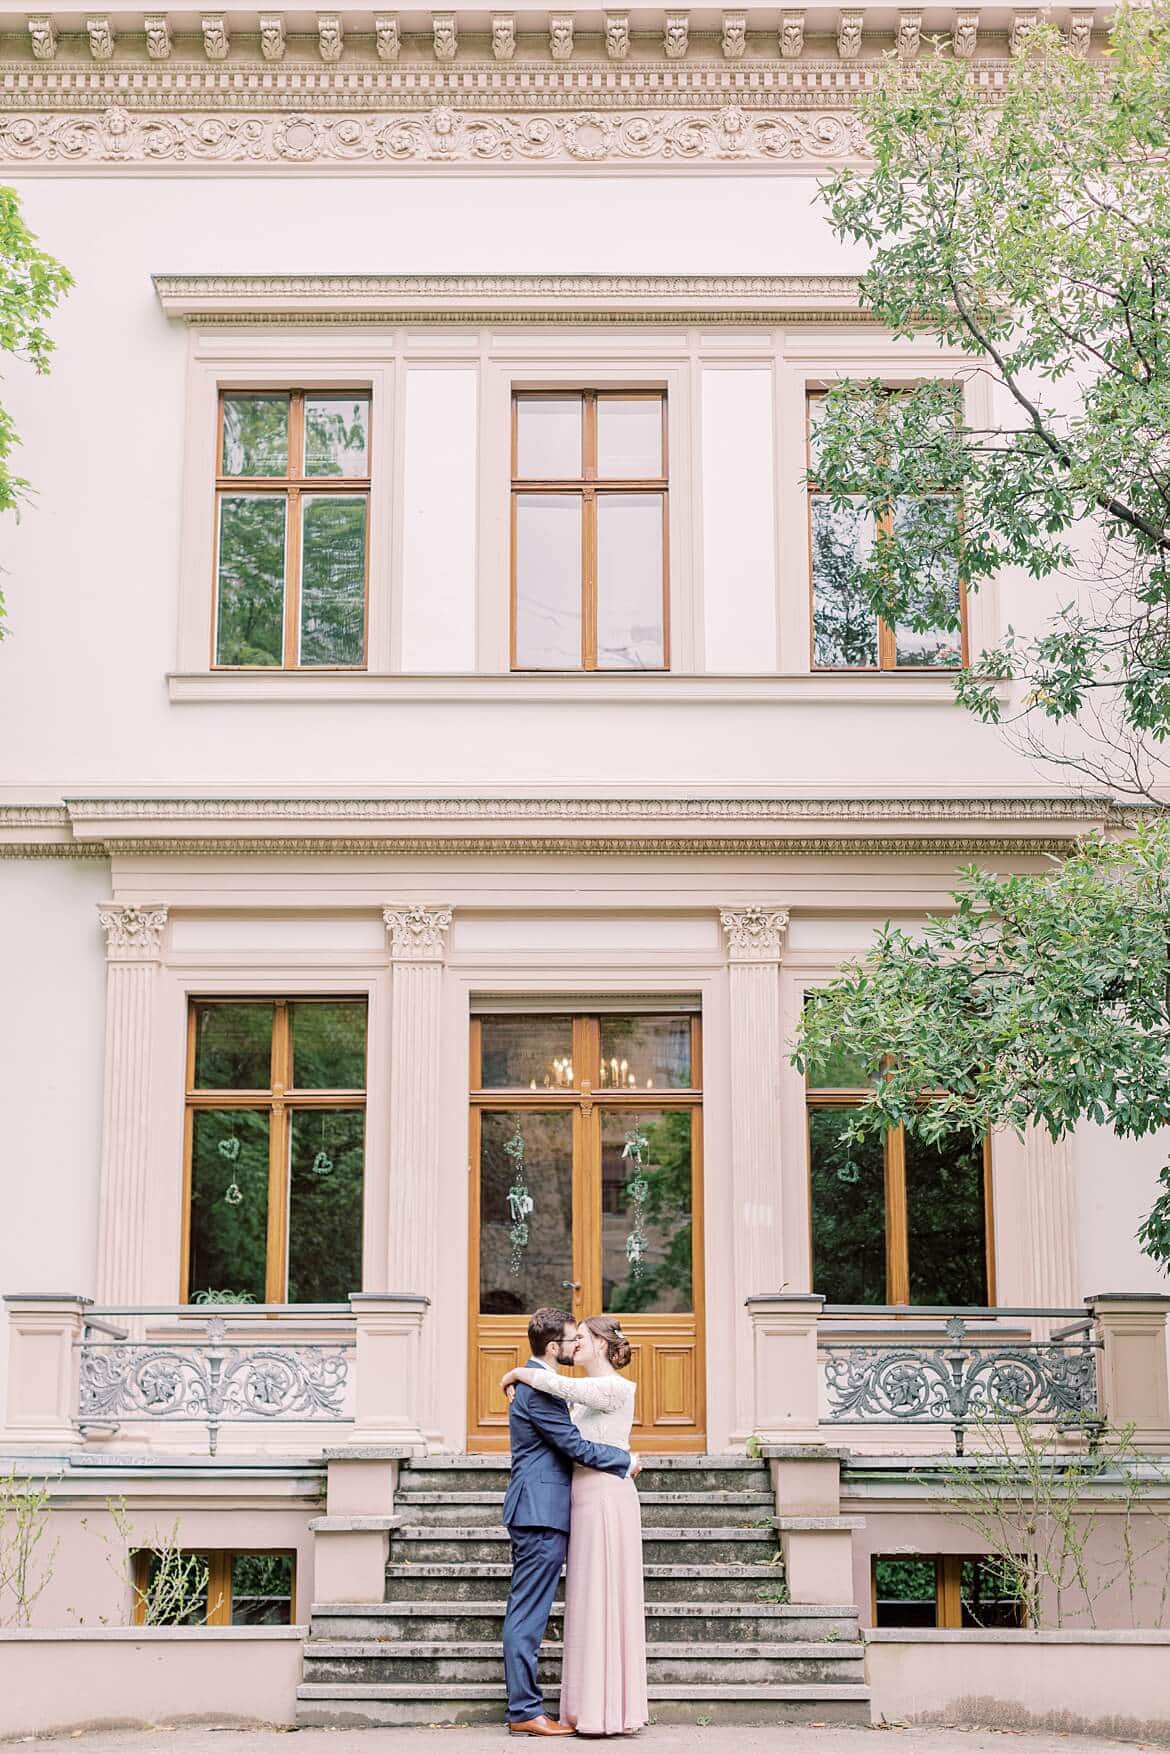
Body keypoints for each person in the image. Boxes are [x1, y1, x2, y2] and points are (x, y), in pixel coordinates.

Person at [502, 1312, 648, 1738]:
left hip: (573, 1503)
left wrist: (516, 1373)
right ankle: (525, 1710)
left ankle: (572, 1705)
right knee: (537, 1610)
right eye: (571, 1338)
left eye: (583, 1337)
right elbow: (571, 1443)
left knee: (580, 1601)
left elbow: (570, 1415)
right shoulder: (541, 1386)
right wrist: (625, 1460)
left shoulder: (592, 1388)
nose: (576, 1344)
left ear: (601, 1344)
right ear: (553, 1348)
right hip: (543, 1508)